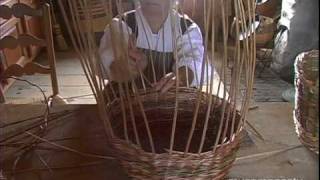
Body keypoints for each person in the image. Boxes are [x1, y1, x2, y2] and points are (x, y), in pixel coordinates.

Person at [99, 0, 212, 94]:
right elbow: (106, 59)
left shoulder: (186, 28)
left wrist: (181, 77)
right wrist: (123, 65)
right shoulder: (121, 24)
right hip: (126, 106)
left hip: (171, 105)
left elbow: (195, 60)